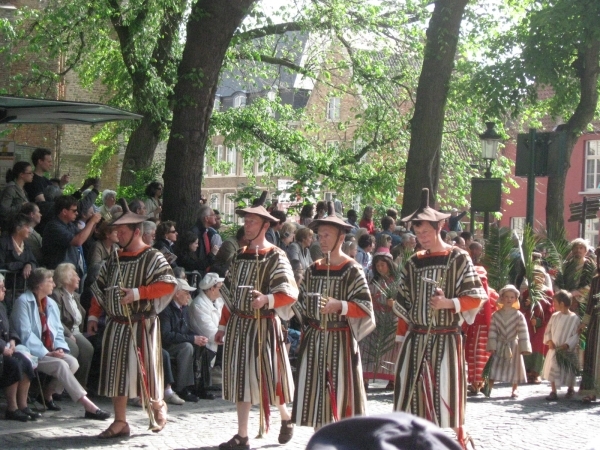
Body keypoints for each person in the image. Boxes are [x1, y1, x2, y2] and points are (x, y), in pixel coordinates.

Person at [392, 189, 487, 448]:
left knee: (447, 396)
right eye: (418, 233)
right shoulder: (413, 262)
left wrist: (449, 303)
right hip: (416, 339)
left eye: (426, 232)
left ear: (440, 227)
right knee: (411, 397)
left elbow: (476, 296)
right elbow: (403, 304)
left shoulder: (458, 257)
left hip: (446, 340)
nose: (421, 238)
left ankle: (457, 441)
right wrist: (401, 338)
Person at [214, 200, 298, 450]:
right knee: (242, 380)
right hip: (240, 326)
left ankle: (285, 416)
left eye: (251, 221)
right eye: (246, 220)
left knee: (269, 379)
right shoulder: (239, 255)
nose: (246, 225)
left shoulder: (276, 255)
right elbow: (228, 294)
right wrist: (222, 326)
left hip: (264, 327)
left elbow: (290, 292)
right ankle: (242, 436)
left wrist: (267, 299)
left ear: (264, 225)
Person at [90, 202, 177, 437]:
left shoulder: (152, 256)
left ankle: (158, 405)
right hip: (115, 324)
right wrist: (93, 314)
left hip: (142, 324)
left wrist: (138, 293)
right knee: (116, 373)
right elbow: (101, 288)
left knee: (145, 370)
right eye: (116, 231)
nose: (118, 236)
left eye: (123, 231)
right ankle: (120, 421)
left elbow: (168, 285)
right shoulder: (114, 258)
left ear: (136, 232)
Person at [292, 202, 375, 430]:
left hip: (341, 343)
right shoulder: (313, 269)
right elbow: (301, 305)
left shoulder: (352, 269)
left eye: (327, 235)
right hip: (315, 341)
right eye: (319, 235)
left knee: (341, 397)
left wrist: (341, 306)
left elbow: (366, 307)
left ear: (340, 237)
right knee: (317, 398)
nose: (322, 239)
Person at [11, 268, 110, 421]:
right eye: (49, 281)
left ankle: (47, 393)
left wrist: (59, 348)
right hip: (31, 351)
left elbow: (57, 330)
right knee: (61, 365)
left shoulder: (50, 303)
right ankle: (88, 405)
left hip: (49, 350)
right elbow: (25, 334)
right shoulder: (23, 302)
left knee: (73, 362)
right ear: (39, 285)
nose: (53, 284)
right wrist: (47, 352)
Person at [159, 278, 212, 401]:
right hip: (167, 345)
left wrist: (197, 337)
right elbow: (166, 335)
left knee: (200, 344)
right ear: (177, 294)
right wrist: (192, 338)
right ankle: (182, 388)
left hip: (178, 342)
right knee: (187, 347)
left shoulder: (185, 309)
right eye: (186, 293)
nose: (189, 296)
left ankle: (200, 386)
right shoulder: (166, 310)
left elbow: (186, 329)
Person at [0, 273, 40, 422]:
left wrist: (12, 341)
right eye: (1, 288)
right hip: (1, 352)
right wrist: (3, 348)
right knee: (13, 364)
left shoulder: (2, 306)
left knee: (25, 361)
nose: (5, 290)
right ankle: (12, 408)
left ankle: (23, 406)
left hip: (6, 349)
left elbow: (10, 329)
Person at [52, 263, 94, 390]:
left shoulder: (75, 296)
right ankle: (58, 387)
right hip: (63, 332)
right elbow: (56, 320)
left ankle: (79, 385)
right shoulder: (57, 295)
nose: (79, 279)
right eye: (76, 275)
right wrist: (68, 334)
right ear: (66, 278)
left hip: (76, 331)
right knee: (75, 348)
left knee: (88, 348)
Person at [486, 284, 532, 398]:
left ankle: (514, 389)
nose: (509, 299)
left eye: (512, 297)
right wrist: (492, 345)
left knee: (515, 367)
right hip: (500, 343)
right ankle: (488, 387)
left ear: (516, 299)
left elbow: (523, 331)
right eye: (506, 296)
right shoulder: (496, 315)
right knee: (495, 366)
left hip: (513, 344)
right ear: (502, 298)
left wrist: (524, 347)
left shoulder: (518, 315)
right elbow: (492, 330)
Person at [361, 247, 397, 390]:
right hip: (374, 318)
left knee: (391, 350)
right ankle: (365, 378)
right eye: (377, 265)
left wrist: (394, 303)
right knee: (366, 347)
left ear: (389, 264)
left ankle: (392, 379)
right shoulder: (372, 280)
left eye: (383, 264)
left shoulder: (397, 282)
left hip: (391, 319)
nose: (380, 268)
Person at [41, 195, 101, 275]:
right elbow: (78, 241)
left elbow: (84, 237)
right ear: (64, 211)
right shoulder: (54, 226)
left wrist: (94, 224)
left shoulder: (69, 224)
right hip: (58, 273)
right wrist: (92, 222)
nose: (77, 213)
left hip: (69, 270)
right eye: (74, 210)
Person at [463, 266, 498, 395]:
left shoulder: (492, 294)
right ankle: (474, 383)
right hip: (472, 329)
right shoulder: (469, 294)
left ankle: (482, 382)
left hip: (486, 331)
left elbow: (498, 310)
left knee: (483, 356)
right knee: (471, 356)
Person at [188, 272, 225, 391]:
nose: (222, 290)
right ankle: (214, 374)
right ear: (211, 289)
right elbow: (212, 334)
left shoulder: (219, 301)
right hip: (207, 346)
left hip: (218, 340)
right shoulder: (199, 304)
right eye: (220, 287)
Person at [542, 290, 580, 401]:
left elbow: (575, 335)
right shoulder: (554, 316)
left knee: (568, 369)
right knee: (553, 368)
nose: (553, 305)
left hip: (566, 350)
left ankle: (570, 388)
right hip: (555, 348)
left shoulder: (574, 319)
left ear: (562, 304)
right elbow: (548, 330)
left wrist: (567, 345)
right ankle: (553, 391)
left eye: (555, 303)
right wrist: (549, 341)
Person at [520, 267, 554, 384]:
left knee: (538, 346)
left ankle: (536, 372)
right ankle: (528, 371)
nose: (538, 278)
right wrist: (527, 303)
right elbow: (522, 308)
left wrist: (540, 321)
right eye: (535, 275)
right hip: (529, 323)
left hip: (542, 325)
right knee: (528, 345)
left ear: (544, 278)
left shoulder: (548, 292)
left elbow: (550, 310)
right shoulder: (527, 292)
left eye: (540, 275)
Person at [555, 238, 596, 318]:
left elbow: (592, 284)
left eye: (581, 248)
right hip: (565, 302)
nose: (578, 250)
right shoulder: (566, 266)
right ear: (572, 250)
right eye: (576, 247)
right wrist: (561, 293)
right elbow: (558, 280)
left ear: (585, 251)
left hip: (582, 304)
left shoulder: (590, 266)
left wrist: (576, 293)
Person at [0, 214, 38, 289]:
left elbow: (34, 262)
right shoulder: (2, 244)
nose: (30, 231)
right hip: (6, 288)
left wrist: (29, 265)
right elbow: (1, 265)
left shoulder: (26, 245)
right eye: (27, 227)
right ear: (18, 229)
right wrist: (22, 265)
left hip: (23, 288)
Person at [191, 204, 220, 272]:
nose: (215, 217)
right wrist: (212, 254)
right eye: (213, 215)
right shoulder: (195, 234)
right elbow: (197, 262)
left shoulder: (207, 232)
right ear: (206, 218)